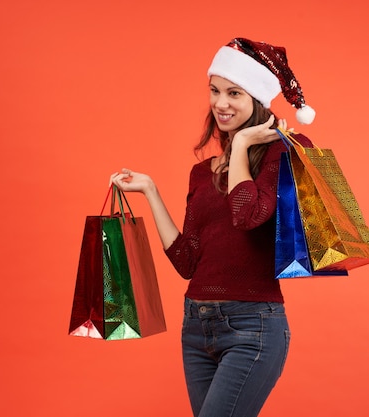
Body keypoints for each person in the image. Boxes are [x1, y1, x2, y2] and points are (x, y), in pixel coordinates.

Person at [110, 38, 316, 417]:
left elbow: (247, 215)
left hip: (253, 326)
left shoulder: (282, 152)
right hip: (196, 326)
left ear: (256, 98)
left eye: (234, 92)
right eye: (215, 90)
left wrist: (239, 149)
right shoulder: (201, 174)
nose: (221, 103)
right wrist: (151, 191)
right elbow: (187, 262)